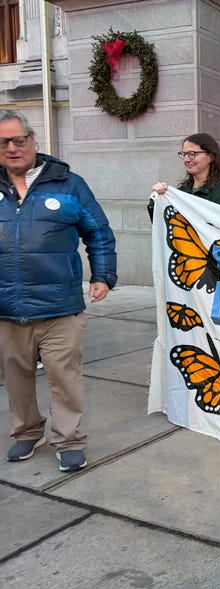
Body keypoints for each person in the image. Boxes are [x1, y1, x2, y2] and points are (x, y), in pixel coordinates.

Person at [0, 109, 117, 472]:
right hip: (6, 307)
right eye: (4, 142)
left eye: (20, 139)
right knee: (15, 377)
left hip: (60, 306)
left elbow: (97, 232)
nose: (13, 147)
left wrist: (103, 276)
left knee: (63, 376)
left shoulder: (68, 183)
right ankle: (26, 432)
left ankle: (68, 439)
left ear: (34, 141)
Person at [149, 133, 220, 220]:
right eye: (184, 154)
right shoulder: (183, 189)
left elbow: (219, 225)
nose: (186, 159)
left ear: (211, 157)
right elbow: (164, 224)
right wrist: (158, 199)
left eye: (192, 154)